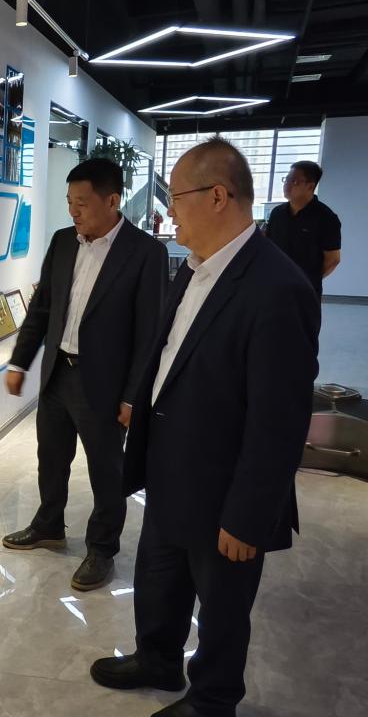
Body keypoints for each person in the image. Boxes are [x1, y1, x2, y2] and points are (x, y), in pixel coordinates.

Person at [89, 137, 320, 717]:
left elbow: (279, 420)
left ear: (218, 196)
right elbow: (171, 354)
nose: (168, 211)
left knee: (222, 604)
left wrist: (248, 515)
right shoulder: (192, 269)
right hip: (171, 465)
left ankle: (213, 699)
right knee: (159, 574)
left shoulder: (278, 288)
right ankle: (157, 658)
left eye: (176, 197)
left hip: (226, 487)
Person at [3, 157, 167, 591]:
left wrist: (133, 396)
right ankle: (48, 525)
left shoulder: (145, 253)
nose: (73, 211)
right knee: (51, 458)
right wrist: (20, 362)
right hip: (58, 372)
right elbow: (42, 309)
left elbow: (150, 334)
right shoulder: (63, 242)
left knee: (106, 472)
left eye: (82, 203)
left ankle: (102, 549)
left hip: (106, 384)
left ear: (112, 201)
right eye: (69, 202)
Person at [265, 161, 341, 298]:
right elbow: (269, 247)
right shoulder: (277, 213)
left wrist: (309, 279)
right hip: (275, 286)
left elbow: (333, 259)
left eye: (294, 181)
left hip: (305, 290)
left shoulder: (326, 218)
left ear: (310, 186)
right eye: (286, 179)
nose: (287, 184)